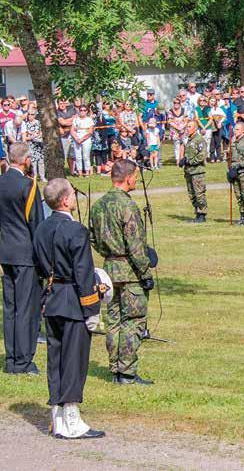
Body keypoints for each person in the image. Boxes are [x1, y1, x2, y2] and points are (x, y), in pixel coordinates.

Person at [33, 179, 106, 439]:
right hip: (73, 300)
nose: (75, 198)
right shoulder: (75, 230)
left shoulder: (41, 228)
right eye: (72, 195)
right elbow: (84, 273)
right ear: (65, 200)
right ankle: (71, 417)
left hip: (51, 298)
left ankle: (57, 414)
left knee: (56, 360)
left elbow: (40, 265)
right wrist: (92, 309)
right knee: (74, 361)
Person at [90, 159, 154, 386]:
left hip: (109, 270)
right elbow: (135, 244)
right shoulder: (128, 206)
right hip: (130, 271)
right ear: (128, 178)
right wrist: (146, 272)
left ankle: (116, 368)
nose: (136, 179)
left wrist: (109, 252)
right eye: (135, 176)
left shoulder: (98, 205)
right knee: (133, 320)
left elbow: (93, 238)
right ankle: (127, 371)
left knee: (113, 319)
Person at [0, 143, 44, 375]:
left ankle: (11, 358)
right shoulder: (28, 185)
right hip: (26, 253)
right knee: (26, 309)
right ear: (26, 159)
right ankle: (23, 360)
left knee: (10, 308)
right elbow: (37, 224)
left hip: (6, 251)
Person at [179, 120, 208, 223]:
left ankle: (202, 214)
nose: (187, 129)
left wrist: (190, 161)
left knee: (199, 193)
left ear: (195, 128)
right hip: (189, 172)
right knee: (192, 194)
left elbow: (202, 155)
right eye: (187, 127)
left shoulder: (199, 140)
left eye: (190, 127)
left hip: (197, 172)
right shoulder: (189, 140)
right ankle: (197, 213)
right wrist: (183, 161)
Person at [71, 105, 95, 177]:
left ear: (87, 111)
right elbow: (72, 130)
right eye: (81, 110)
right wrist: (76, 138)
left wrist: (82, 139)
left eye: (84, 110)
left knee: (86, 156)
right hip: (77, 137)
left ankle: (87, 172)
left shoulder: (89, 120)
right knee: (78, 156)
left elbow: (90, 131)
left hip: (86, 138)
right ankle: (80, 172)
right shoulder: (76, 119)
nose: (82, 112)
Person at [57, 99, 77, 175]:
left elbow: (77, 119)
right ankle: (61, 171)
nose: (62, 105)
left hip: (73, 135)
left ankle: (72, 171)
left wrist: (67, 121)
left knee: (72, 155)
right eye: (60, 103)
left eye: (63, 103)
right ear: (58, 104)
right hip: (64, 136)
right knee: (63, 155)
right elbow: (63, 122)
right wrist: (72, 119)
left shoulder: (71, 109)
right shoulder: (57, 112)